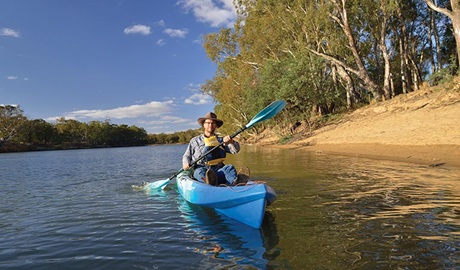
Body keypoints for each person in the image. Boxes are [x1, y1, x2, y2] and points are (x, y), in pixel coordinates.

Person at [182, 112, 249, 186]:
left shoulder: (221, 140)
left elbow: (235, 151)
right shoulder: (195, 141)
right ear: (203, 124)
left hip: (218, 169)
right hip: (201, 169)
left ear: (216, 126)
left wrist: (231, 142)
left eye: (213, 123)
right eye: (208, 123)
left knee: (229, 167)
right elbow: (187, 155)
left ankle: (236, 184)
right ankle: (209, 184)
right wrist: (186, 163)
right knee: (200, 172)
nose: (210, 125)